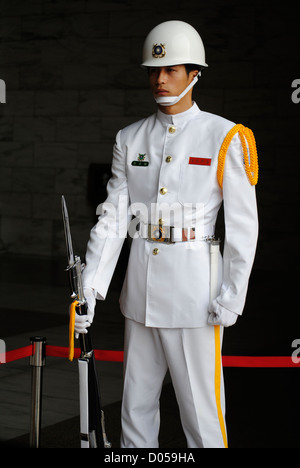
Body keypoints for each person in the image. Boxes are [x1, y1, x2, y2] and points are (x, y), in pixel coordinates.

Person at [77, 20, 259, 448]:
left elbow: (243, 227)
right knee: (134, 408)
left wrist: (233, 295)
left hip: (196, 298)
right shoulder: (130, 137)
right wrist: (90, 285)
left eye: (171, 69)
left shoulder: (225, 136)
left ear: (195, 73)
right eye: (153, 71)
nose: (159, 79)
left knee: (201, 413)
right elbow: (114, 217)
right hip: (139, 293)